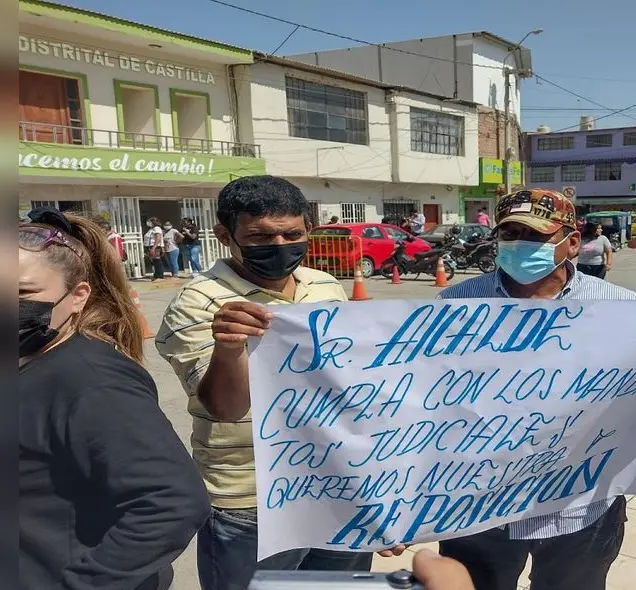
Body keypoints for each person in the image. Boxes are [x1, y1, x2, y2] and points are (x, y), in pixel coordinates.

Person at [436, 188, 636, 590]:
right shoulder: (452, 304)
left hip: (581, 507)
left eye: (535, 235)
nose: (519, 245)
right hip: (476, 506)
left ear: (573, 242)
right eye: (509, 234)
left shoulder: (624, 308)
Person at [156, 176, 401, 590]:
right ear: (224, 236)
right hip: (250, 499)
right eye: (261, 236)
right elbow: (224, 408)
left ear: (308, 230)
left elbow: (349, 384)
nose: (280, 245)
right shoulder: (197, 302)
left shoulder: (324, 285)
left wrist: (380, 481)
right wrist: (229, 348)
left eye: (292, 234)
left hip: (338, 482)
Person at [19, 207, 210, 590]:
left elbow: (172, 502)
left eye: (23, 293)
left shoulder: (92, 380)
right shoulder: (27, 359)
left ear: (77, 297)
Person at [144, 216, 166, 281]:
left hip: (155, 247)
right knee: (154, 262)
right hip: (150, 246)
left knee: (157, 261)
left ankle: (159, 276)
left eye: (149, 221)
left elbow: (158, 238)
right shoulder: (151, 229)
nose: (148, 223)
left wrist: (153, 248)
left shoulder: (157, 228)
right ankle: (156, 275)